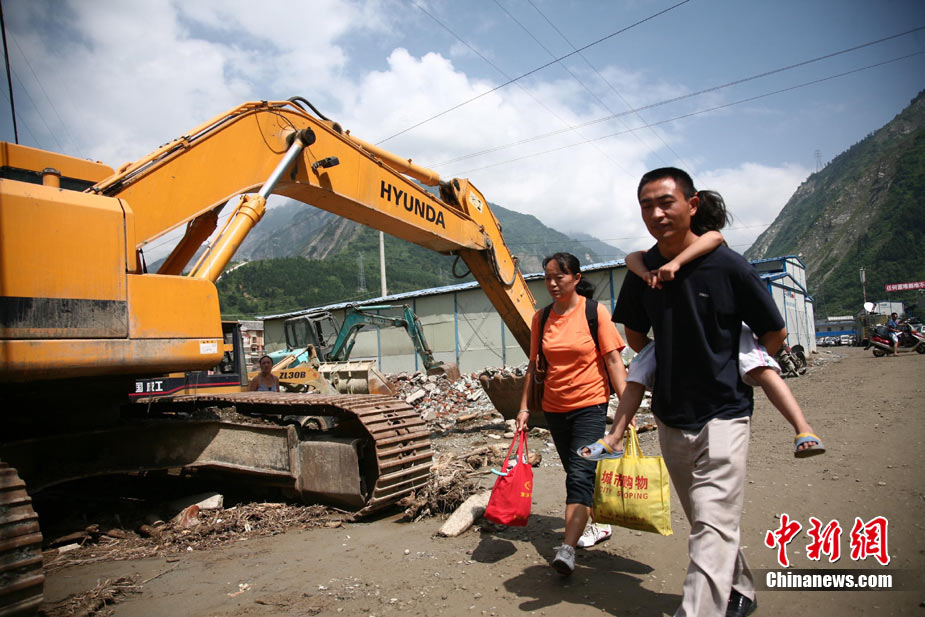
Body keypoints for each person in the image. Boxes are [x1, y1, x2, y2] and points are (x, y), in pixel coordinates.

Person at [610, 168, 787, 617]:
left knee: (711, 522)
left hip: (725, 411)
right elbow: (635, 335)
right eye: (647, 205)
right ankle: (740, 590)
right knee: (707, 519)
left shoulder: (727, 265)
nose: (656, 213)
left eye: (665, 202)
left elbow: (774, 332)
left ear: (691, 205)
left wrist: (736, 370)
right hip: (671, 414)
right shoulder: (644, 270)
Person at [581, 227, 824, 460]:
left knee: (763, 370)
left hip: (725, 345)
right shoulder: (658, 263)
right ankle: (614, 437)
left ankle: (802, 428)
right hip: (671, 343)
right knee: (636, 376)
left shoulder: (714, 256)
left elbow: (714, 237)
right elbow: (633, 257)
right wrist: (645, 272)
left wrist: (676, 262)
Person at [514, 252, 628, 576]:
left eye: (559, 277)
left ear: (576, 278)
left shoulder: (594, 312)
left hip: (590, 405)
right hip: (555, 408)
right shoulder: (541, 318)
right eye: (547, 277)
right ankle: (599, 522)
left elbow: (613, 361)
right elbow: (533, 365)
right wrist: (524, 408)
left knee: (578, 473)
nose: (552, 283)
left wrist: (626, 406)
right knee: (577, 471)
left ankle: (567, 549)